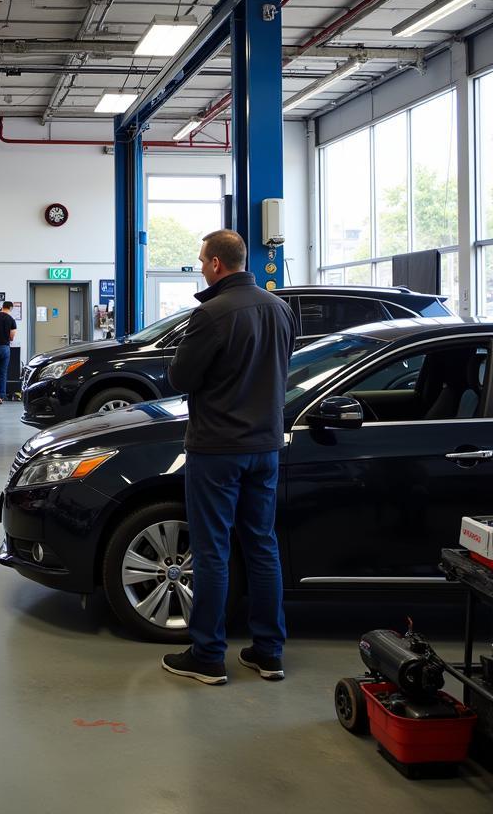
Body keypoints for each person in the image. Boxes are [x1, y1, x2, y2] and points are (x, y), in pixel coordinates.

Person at [161, 230, 296, 686]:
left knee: (212, 550)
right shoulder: (280, 309)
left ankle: (208, 655)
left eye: (202, 260)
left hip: (217, 448)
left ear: (218, 264)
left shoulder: (211, 313)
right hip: (266, 448)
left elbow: (180, 377)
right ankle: (268, 652)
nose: (200, 266)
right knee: (262, 544)